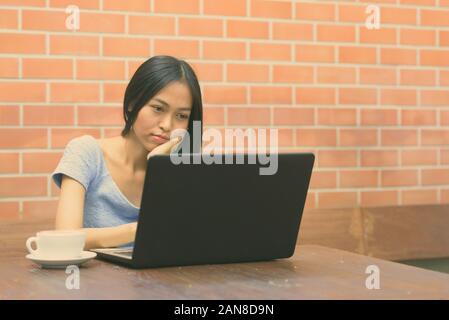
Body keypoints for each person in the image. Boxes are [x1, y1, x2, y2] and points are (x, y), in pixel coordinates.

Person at [51, 55, 203, 249]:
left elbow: (186, 240)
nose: (167, 125)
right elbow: (64, 238)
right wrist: (137, 231)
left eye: (181, 116)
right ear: (132, 103)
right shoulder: (86, 152)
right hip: (94, 278)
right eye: (157, 108)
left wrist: (161, 172)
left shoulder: (183, 166)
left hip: (161, 277)